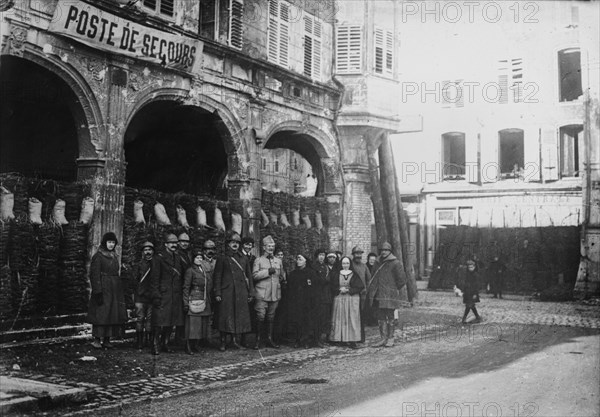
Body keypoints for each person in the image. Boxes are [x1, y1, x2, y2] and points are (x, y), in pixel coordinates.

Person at [213, 231, 254, 351]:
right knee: (225, 318)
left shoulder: (244, 258)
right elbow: (217, 276)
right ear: (228, 244)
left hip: (241, 293)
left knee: (238, 317)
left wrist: (251, 292)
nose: (235, 244)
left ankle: (235, 341)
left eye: (237, 242)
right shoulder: (223, 258)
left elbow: (249, 277)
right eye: (232, 242)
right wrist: (218, 293)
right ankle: (222, 342)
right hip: (227, 293)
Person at [87, 232, 127, 349]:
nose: (111, 245)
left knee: (111, 314)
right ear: (105, 243)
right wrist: (97, 291)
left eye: (113, 242)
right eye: (109, 242)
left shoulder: (114, 256)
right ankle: (97, 340)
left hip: (114, 289)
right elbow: (94, 275)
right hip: (103, 289)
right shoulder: (98, 256)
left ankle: (107, 339)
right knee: (101, 314)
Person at [150, 233, 184, 355]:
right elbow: (154, 279)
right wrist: (156, 295)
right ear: (166, 244)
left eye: (175, 243)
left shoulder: (178, 257)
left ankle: (165, 343)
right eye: (171, 243)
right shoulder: (158, 258)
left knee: (170, 321)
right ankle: (155, 344)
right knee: (159, 322)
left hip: (174, 294)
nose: (174, 245)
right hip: (163, 294)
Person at [367, 242, 407, 348]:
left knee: (390, 317)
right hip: (378, 294)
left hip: (390, 295)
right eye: (382, 250)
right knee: (380, 317)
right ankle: (382, 338)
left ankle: (390, 338)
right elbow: (373, 276)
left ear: (390, 251)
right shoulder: (377, 262)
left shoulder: (395, 263)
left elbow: (402, 280)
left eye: (386, 250)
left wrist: (392, 289)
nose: (383, 252)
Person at [252, 235, 284, 349]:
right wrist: (267, 272)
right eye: (268, 246)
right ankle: (258, 340)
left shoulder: (278, 261)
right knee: (260, 317)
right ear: (264, 247)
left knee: (271, 317)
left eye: (272, 246)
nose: (271, 248)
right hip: (262, 294)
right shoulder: (258, 260)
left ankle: (269, 339)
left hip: (275, 294)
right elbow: (254, 276)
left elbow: (281, 276)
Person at [182, 250, 213, 354]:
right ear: (193, 259)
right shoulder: (190, 270)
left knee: (201, 325)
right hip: (194, 299)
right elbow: (186, 287)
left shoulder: (203, 270)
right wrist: (185, 302)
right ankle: (187, 346)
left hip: (204, 298)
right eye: (197, 258)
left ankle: (196, 345)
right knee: (192, 325)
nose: (199, 260)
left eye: (201, 258)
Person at [286, 253, 320, 348]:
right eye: (297, 259)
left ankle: (306, 341)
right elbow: (290, 289)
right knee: (297, 321)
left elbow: (314, 288)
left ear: (305, 261)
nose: (298, 261)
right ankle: (298, 340)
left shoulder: (311, 273)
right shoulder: (293, 274)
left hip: (308, 302)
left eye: (300, 259)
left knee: (307, 321)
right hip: (296, 302)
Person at [330, 256, 364, 349]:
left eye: (347, 263)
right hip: (340, 298)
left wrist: (349, 290)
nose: (345, 265)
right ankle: (340, 339)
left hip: (351, 299)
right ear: (341, 264)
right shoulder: (337, 274)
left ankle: (352, 340)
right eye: (344, 263)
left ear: (350, 264)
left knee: (351, 318)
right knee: (340, 318)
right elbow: (332, 286)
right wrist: (339, 289)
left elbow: (360, 286)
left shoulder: (354, 274)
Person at [132, 241, 155, 351]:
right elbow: (134, 281)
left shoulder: (156, 264)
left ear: (153, 251)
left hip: (151, 297)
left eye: (150, 250)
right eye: (145, 250)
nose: (148, 252)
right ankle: (139, 341)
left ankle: (149, 340)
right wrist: (140, 291)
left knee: (150, 320)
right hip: (140, 297)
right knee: (140, 318)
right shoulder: (138, 265)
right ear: (142, 252)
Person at [351, 246, 371, 342]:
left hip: (362, 295)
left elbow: (369, 279)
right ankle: (352, 337)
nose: (358, 255)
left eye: (360, 253)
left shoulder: (364, 266)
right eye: (356, 253)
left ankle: (360, 338)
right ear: (353, 255)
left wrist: (366, 289)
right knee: (353, 316)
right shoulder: (350, 265)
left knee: (361, 316)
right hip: (352, 295)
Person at [458, 259, 482, 324]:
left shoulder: (476, 275)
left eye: (471, 267)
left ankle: (464, 318)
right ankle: (477, 317)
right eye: (469, 267)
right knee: (471, 305)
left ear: (474, 267)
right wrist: (463, 290)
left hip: (473, 293)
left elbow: (477, 285)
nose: (470, 268)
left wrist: (475, 293)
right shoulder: (467, 274)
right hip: (467, 292)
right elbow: (464, 283)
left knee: (469, 305)